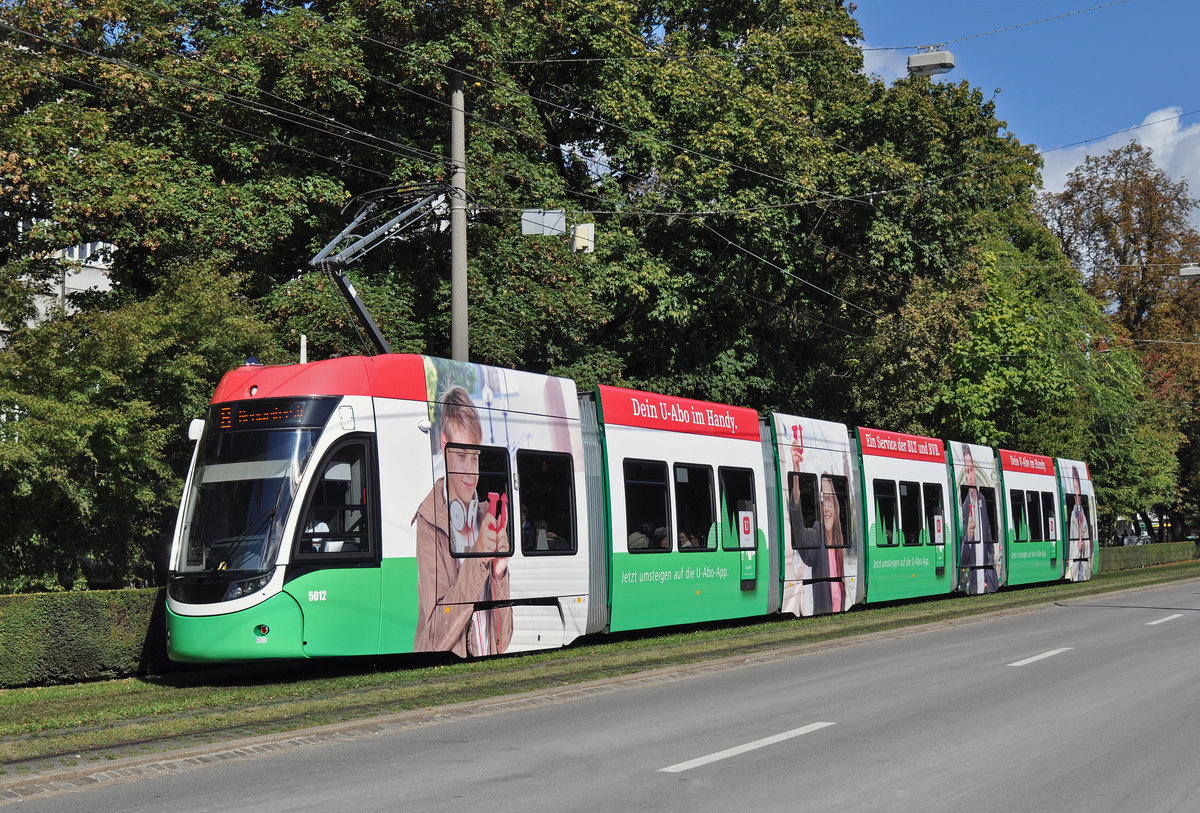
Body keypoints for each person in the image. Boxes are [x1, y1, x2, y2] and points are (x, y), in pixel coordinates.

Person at [412, 386, 512, 657]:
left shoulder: (484, 518)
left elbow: (505, 638)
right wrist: (479, 559)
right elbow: (436, 638)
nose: (470, 473)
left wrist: (499, 574)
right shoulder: (429, 522)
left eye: (475, 457)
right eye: (461, 456)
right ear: (444, 446)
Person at [958, 445, 997, 594]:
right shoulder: (962, 507)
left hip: (986, 572)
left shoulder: (984, 500)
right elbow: (962, 557)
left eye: (972, 469)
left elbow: (990, 536)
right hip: (973, 577)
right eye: (967, 471)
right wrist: (969, 534)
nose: (971, 475)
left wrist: (991, 574)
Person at [1067, 467, 1092, 580]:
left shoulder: (1082, 513)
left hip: (1083, 551)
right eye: (1075, 487)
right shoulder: (1073, 514)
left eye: (1078, 488)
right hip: (1076, 552)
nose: (1077, 493)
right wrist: (1077, 546)